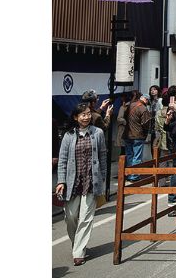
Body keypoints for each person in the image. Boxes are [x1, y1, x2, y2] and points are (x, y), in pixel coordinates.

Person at [55, 103, 107, 266]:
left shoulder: (98, 133)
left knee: (86, 218)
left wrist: (102, 178)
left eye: (88, 114)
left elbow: (103, 156)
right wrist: (61, 181)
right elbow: (62, 159)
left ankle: (78, 252)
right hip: (73, 182)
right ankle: (77, 244)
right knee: (70, 217)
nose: (86, 117)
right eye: (82, 115)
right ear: (75, 117)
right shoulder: (68, 135)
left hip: (91, 181)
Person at [124, 92, 151, 181]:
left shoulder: (130, 105)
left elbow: (124, 117)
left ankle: (129, 174)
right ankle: (134, 176)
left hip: (127, 134)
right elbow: (146, 124)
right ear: (145, 100)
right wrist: (146, 134)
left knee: (129, 155)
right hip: (138, 135)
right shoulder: (143, 109)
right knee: (137, 156)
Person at [147, 85, 162, 151]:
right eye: (151, 90)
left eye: (154, 89)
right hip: (151, 124)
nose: (152, 91)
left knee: (157, 144)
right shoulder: (150, 102)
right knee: (152, 145)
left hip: (158, 124)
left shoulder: (160, 100)